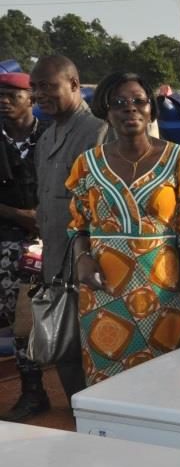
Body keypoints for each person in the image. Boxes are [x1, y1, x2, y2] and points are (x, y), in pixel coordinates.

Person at [67, 72, 180, 385]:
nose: (130, 108)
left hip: (163, 298)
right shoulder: (87, 163)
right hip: (103, 298)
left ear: (151, 109)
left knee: (168, 387)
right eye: (119, 103)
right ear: (106, 110)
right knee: (108, 390)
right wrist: (82, 258)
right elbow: (78, 225)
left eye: (138, 101)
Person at [31, 55, 105, 399]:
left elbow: (101, 208)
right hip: (55, 265)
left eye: (47, 86)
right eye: (35, 88)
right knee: (65, 350)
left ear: (74, 85)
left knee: (96, 348)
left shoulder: (99, 131)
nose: (39, 94)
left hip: (89, 266)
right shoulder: (46, 138)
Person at [0, 72, 52, 420]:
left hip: (51, 240)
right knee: (17, 321)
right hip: (7, 240)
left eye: (12, 96)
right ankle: (32, 390)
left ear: (31, 99)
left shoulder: (50, 136)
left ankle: (40, 391)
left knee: (35, 320)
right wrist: (21, 215)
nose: (3, 101)